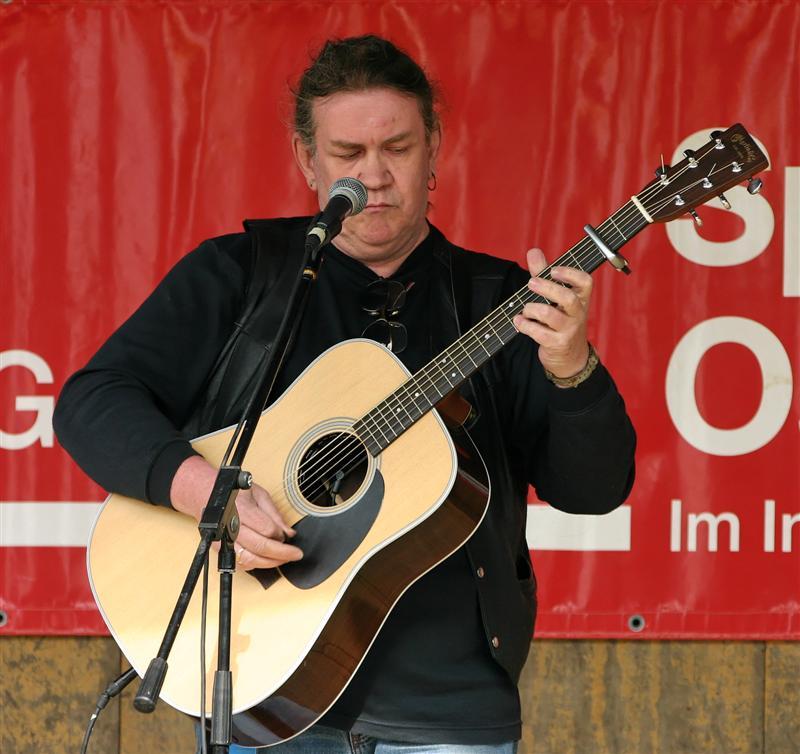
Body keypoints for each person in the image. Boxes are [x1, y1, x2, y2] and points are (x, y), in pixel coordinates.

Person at [54, 34, 635, 754]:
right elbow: (92, 401)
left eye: (397, 148)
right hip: (263, 684)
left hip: (447, 709)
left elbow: (593, 490)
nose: (375, 176)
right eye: (348, 153)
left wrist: (572, 367)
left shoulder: (502, 301)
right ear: (308, 160)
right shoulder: (240, 275)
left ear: (434, 150)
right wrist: (206, 490)